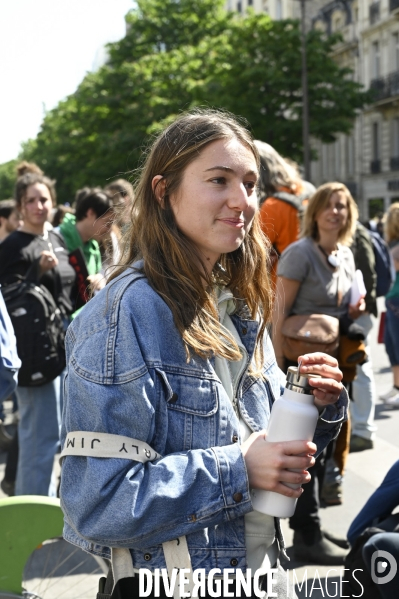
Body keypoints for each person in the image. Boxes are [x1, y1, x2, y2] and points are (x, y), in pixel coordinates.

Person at [60, 109, 348, 599]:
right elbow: (97, 505)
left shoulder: (240, 303)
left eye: (251, 184)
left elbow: (263, 439)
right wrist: (238, 468)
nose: (242, 201)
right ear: (163, 192)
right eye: (219, 180)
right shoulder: (122, 315)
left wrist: (314, 403)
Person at [273, 182, 364, 564]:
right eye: (328, 206)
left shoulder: (343, 254)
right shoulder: (299, 254)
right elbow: (277, 313)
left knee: (326, 449)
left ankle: (312, 526)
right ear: (315, 213)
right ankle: (306, 534)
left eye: (342, 206)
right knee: (304, 446)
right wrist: (277, 369)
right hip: (299, 367)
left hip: (332, 364)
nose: (335, 213)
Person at [0, 165, 76, 496]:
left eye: (43, 199)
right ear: (20, 205)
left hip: (61, 348)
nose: (38, 206)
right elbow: (9, 300)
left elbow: (72, 286)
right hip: (31, 353)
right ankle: (30, 524)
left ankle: (39, 511)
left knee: (55, 435)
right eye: (31, 200)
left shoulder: (56, 238)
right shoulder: (13, 246)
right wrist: (34, 270)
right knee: (38, 438)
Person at [256, 141, 315, 288]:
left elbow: (256, 259)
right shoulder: (310, 192)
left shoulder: (272, 207)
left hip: (281, 294)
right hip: (315, 287)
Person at [58, 187, 114, 310]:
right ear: (90, 213)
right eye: (107, 223)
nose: (109, 230)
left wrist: (100, 281)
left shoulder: (93, 248)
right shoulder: (56, 239)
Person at [348, 222, 378, 451]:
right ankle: (360, 428)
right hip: (352, 312)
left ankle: (363, 430)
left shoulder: (356, 231)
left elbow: (367, 268)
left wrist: (366, 303)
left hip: (357, 312)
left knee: (359, 370)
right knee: (358, 371)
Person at [380, 203, 399, 407]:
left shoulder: (396, 246)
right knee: (391, 346)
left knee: (396, 346)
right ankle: (396, 386)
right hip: (392, 299)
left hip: (396, 300)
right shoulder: (392, 244)